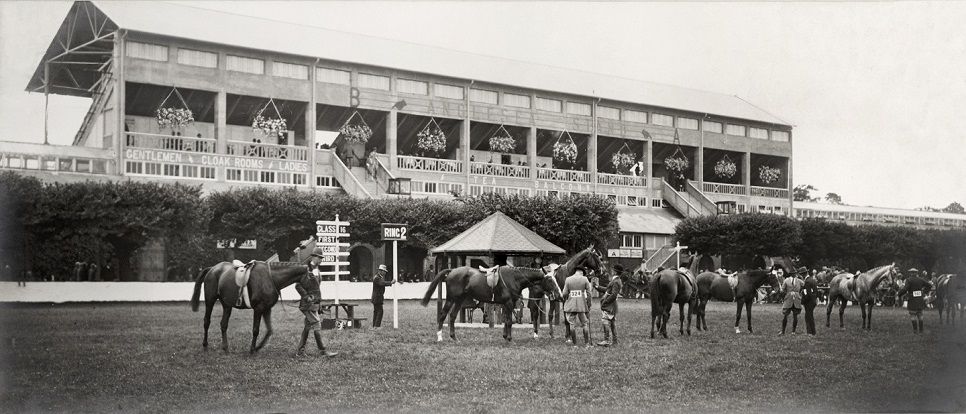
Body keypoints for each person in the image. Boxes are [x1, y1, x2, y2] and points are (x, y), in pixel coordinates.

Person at [294, 257, 337, 358]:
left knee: (308, 326)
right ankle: (323, 351)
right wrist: (306, 297)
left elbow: (317, 289)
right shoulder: (306, 270)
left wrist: (319, 304)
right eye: (320, 258)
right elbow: (298, 285)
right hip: (307, 304)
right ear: (315, 257)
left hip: (315, 304)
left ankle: (300, 351)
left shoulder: (317, 270)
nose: (321, 260)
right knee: (317, 324)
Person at [561, 266, 592, 347]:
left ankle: (575, 344)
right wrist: (589, 304)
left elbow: (564, 293)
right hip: (581, 305)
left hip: (571, 304)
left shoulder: (568, 279)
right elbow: (589, 293)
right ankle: (587, 344)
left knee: (572, 324)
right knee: (584, 323)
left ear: (575, 271)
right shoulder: (585, 279)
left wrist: (567, 297)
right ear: (582, 272)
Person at [897, 268, 931, 334]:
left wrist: (899, 294)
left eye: (911, 273)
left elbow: (905, 289)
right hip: (920, 299)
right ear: (916, 273)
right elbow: (929, 285)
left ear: (911, 273)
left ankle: (915, 331)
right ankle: (921, 330)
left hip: (912, 299)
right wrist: (924, 292)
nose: (911, 274)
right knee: (920, 314)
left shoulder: (909, 280)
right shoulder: (921, 279)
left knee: (912, 315)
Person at [594, 269, 623, 346]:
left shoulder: (616, 282)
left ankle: (606, 340)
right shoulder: (616, 280)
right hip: (612, 305)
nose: (612, 271)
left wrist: (605, 302)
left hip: (610, 305)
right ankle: (615, 341)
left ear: (616, 272)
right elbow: (607, 290)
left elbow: (613, 294)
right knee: (612, 323)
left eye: (613, 270)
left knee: (605, 321)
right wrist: (597, 287)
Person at [779, 267, 805, 335]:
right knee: (785, 315)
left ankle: (793, 331)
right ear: (791, 274)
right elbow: (782, 289)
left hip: (796, 299)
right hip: (788, 299)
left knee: (795, 315)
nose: (795, 274)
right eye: (794, 273)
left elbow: (805, 285)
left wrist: (800, 292)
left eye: (795, 273)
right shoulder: (786, 280)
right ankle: (783, 331)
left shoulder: (799, 281)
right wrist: (784, 293)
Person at [371, 264, 395, 329]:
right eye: (384, 271)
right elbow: (382, 283)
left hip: (376, 297)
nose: (385, 272)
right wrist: (391, 282)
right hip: (377, 297)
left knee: (376, 311)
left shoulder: (378, 277)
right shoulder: (377, 278)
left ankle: (374, 326)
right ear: (380, 271)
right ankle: (377, 326)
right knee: (380, 311)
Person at [802, 267, 819, 335]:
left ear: (803, 274)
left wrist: (803, 301)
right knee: (810, 316)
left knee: (808, 317)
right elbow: (816, 291)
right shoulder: (813, 280)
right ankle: (812, 332)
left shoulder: (807, 281)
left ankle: (810, 332)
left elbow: (807, 293)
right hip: (813, 301)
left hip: (809, 302)